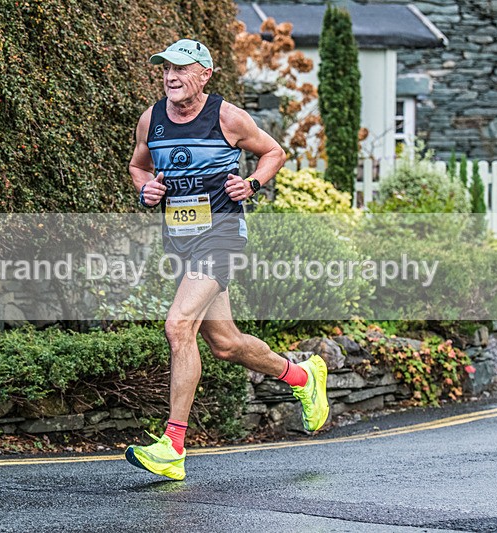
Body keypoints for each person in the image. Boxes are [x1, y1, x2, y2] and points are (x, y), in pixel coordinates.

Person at [125, 38, 329, 481]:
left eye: (181, 68)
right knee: (226, 344)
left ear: (205, 74)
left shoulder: (228, 117)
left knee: (178, 324)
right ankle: (303, 376)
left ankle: (172, 446)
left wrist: (252, 183)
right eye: (165, 69)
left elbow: (274, 151)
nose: (170, 77)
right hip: (181, 240)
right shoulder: (152, 119)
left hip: (220, 236)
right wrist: (146, 189)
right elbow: (137, 166)